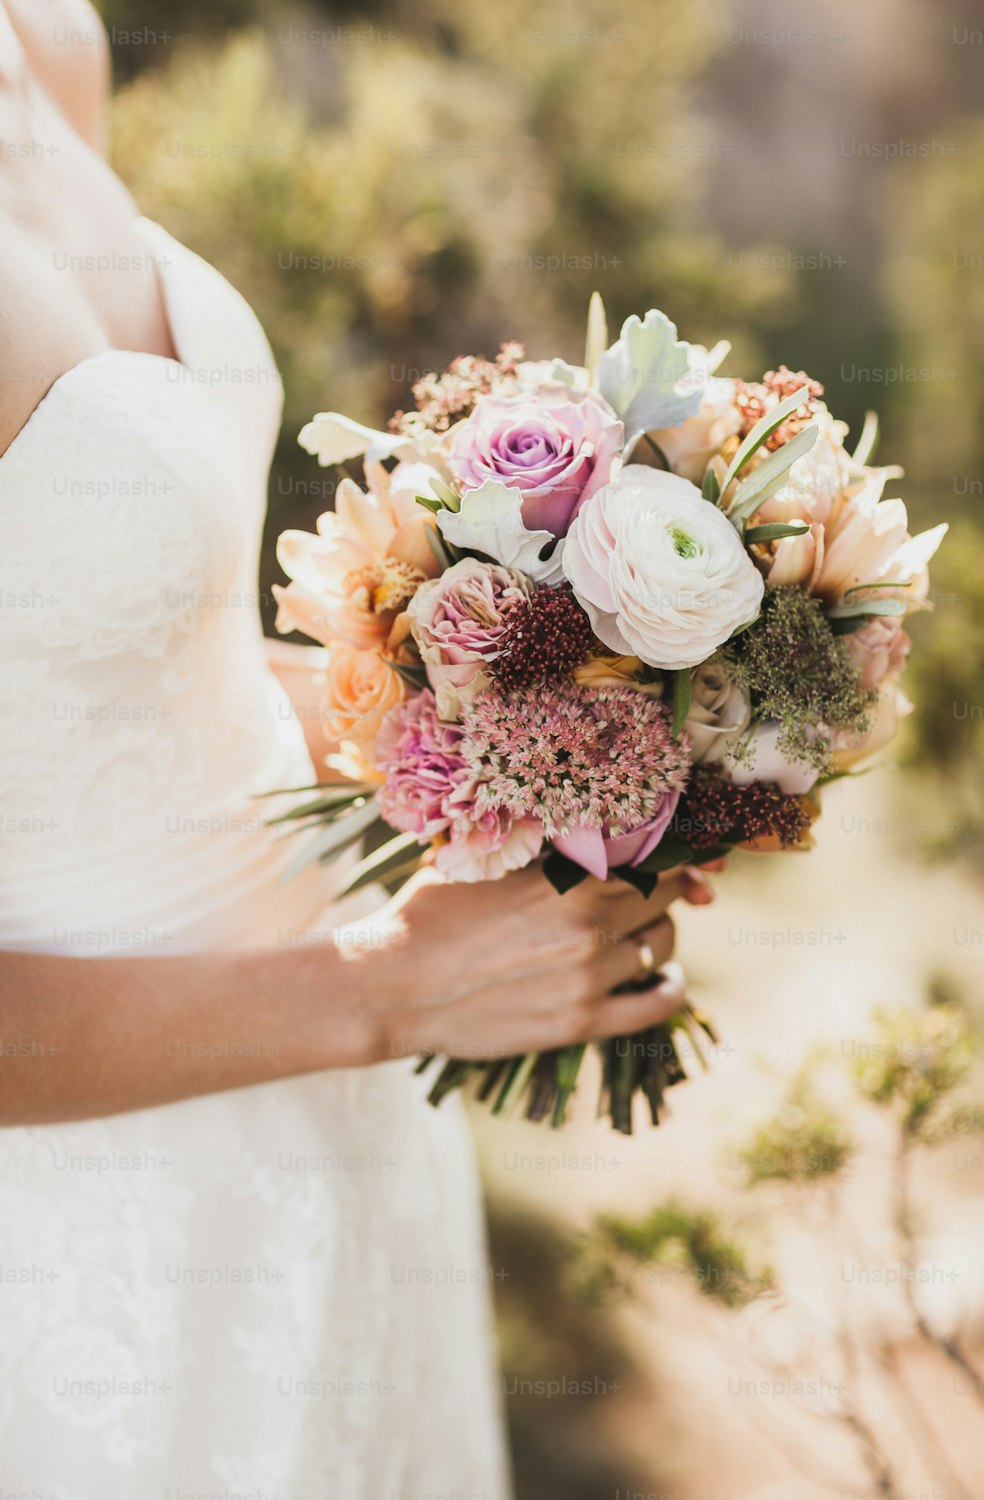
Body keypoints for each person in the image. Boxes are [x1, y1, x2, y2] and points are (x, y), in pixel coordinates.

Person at [0, 3, 717, 1492]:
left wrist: (512, 746)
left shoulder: (43, 40)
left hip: (337, 1129)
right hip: (89, 1229)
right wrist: (394, 986)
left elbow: (100, 653)